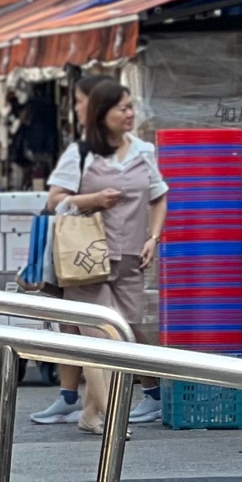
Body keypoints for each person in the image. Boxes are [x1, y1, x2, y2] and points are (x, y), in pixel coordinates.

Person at [39, 76, 168, 433]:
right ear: (103, 113)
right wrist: (92, 200)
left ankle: (89, 415)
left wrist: (153, 238)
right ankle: (113, 417)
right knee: (99, 339)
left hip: (130, 258)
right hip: (85, 259)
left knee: (121, 339)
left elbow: (159, 197)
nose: (130, 114)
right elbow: (55, 200)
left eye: (131, 107)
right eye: (122, 108)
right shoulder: (80, 154)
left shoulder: (143, 151)